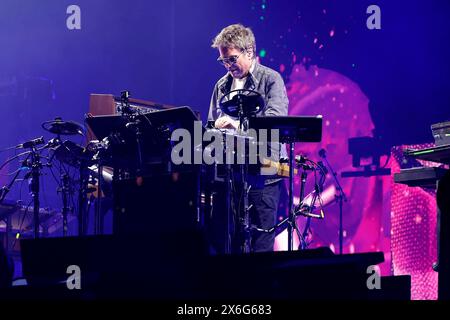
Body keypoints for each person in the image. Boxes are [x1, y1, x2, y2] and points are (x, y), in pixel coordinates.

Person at [208, 24, 289, 252]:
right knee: (228, 244)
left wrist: (236, 124)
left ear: (250, 52)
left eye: (232, 59)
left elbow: (275, 121)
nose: (228, 66)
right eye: (223, 61)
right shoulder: (221, 86)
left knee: (260, 244)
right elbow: (211, 125)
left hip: (266, 172)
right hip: (232, 176)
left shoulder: (272, 79)